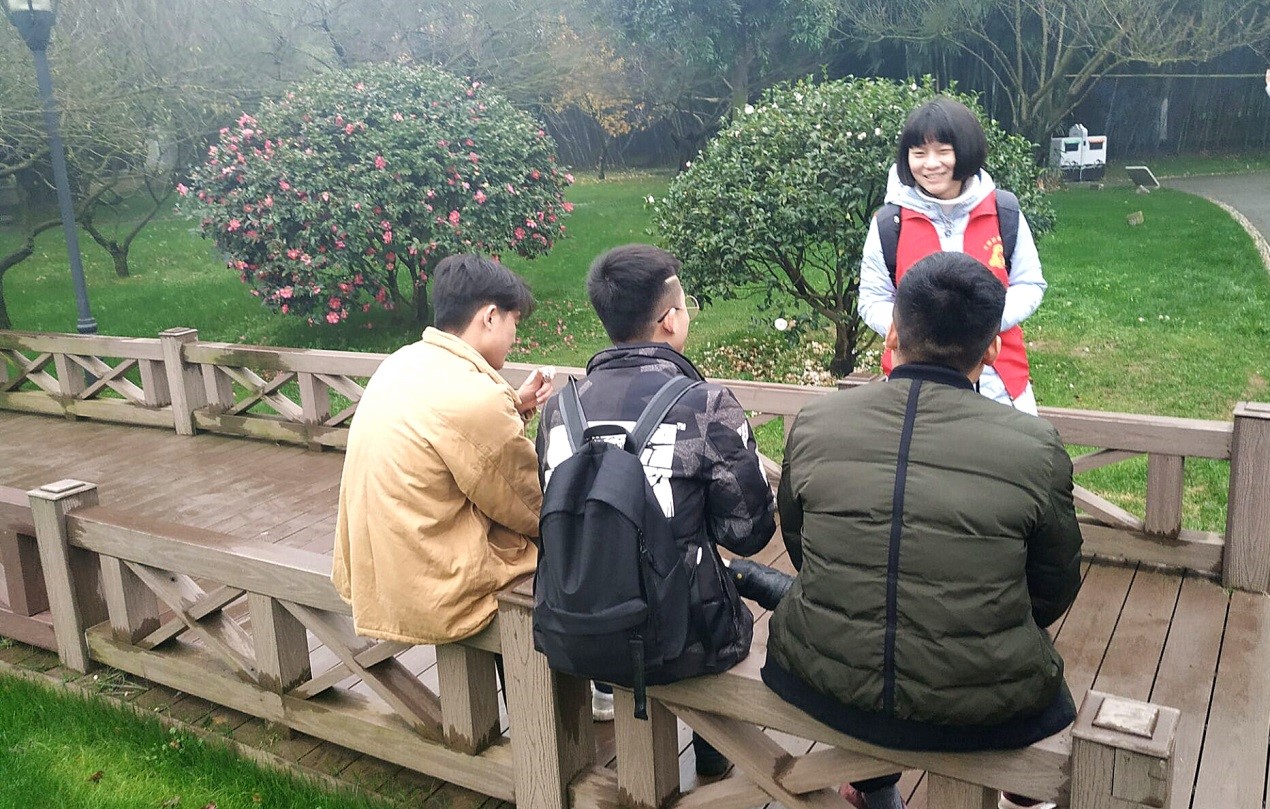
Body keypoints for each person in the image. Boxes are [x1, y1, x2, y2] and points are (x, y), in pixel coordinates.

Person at [763, 252, 1084, 809]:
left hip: (821, 676)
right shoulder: (1035, 446)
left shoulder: (816, 421)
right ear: (992, 348)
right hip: (978, 702)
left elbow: (799, 546)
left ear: (893, 333)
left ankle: (874, 789)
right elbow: (1054, 585)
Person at [536, 243, 777, 778]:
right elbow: (750, 530)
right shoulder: (704, 405)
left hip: (580, 619)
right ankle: (713, 755)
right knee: (717, 602)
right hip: (683, 636)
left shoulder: (558, 408)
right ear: (670, 320)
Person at [332, 254, 552, 645]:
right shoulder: (475, 397)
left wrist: (514, 405)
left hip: (377, 575)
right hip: (435, 591)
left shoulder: (403, 361)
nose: (515, 337)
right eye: (514, 322)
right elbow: (530, 506)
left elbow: (451, 430)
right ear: (490, 317)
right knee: (561, 551)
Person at [859, 96, 1047, 415]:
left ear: (965, 150)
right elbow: (872, 298)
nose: (931, 164)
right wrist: (920, 330)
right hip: (913, 384)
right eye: (919, 153)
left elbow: (1029, 284)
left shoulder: (1004, 212)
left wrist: (979, 325)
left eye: (943, 151)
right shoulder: (890, 223)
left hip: (1000, 384)